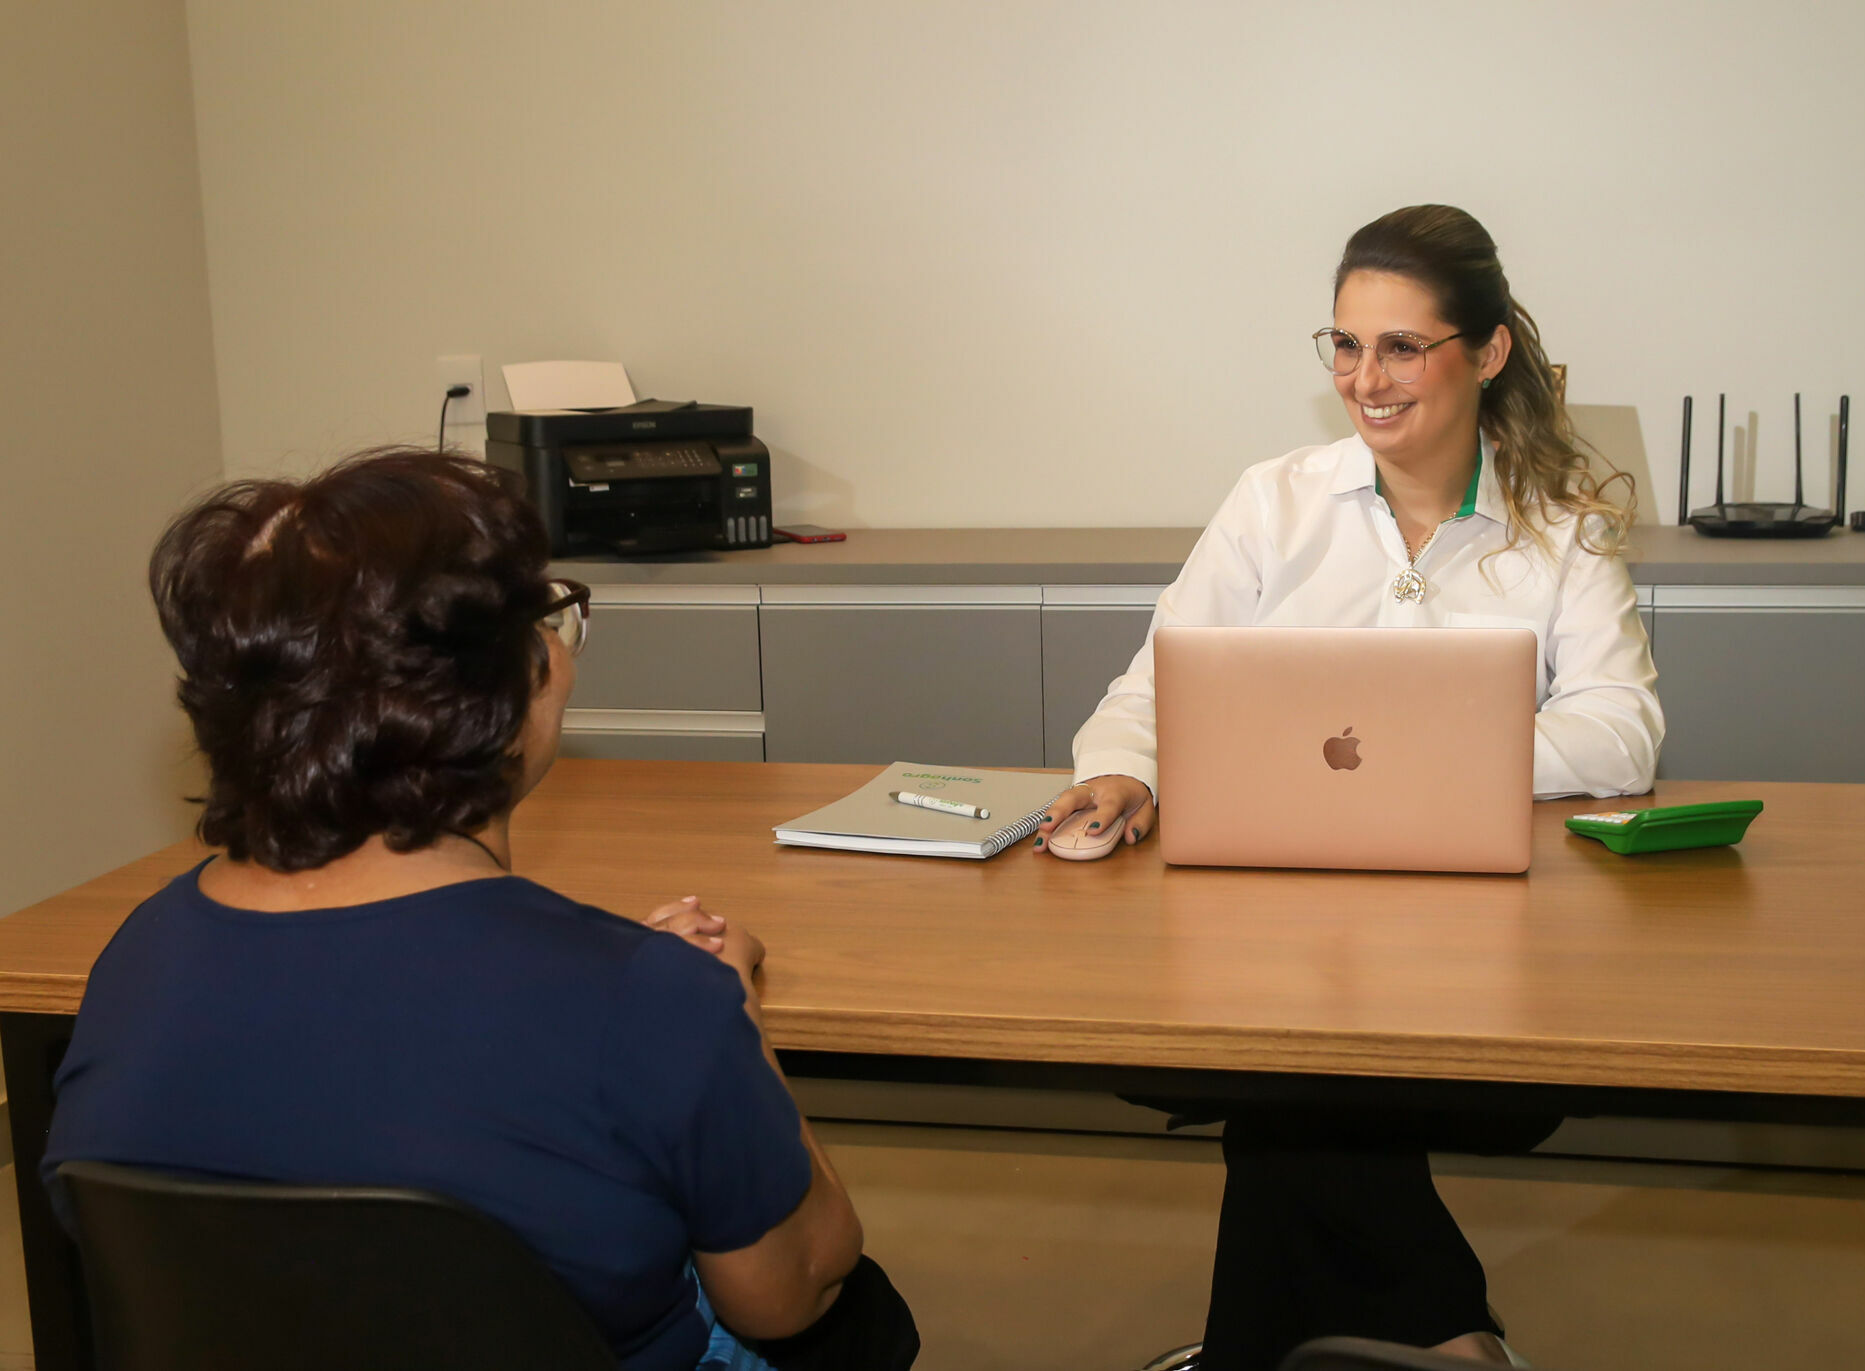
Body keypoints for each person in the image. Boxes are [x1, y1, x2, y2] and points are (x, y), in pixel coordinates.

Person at [42, 449, 917, 1371]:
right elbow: (792, 1289)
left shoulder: (141, 955)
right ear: (509, 693)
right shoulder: (654, 1000)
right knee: (861, 1316)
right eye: (549, 618)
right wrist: (736, 1019)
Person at [1036, 206, 1664, 1367]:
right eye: (1343, 344)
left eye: (1400, 347)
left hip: (1481, 962)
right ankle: (1448, 1338)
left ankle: (1319, 1347)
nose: (1364, 380)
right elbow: (1152, 683)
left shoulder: (1559, 527)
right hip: (1262, 930)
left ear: (1484, 353)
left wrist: (1430, 754)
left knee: (1296, 1081)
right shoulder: (1275, 499)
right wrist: (1118, 768)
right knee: (1296, 1053)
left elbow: (1624, 730)